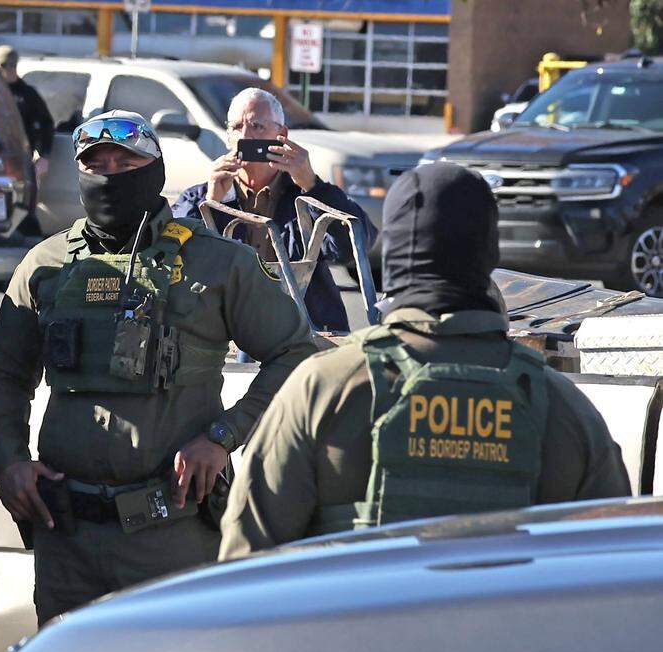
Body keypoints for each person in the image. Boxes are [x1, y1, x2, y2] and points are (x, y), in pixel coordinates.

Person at [0, 109, 317, 625]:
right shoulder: (45, 264)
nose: (112, 174)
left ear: (155, 171)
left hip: (171, 536)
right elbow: (4, 375)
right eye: (98, 164)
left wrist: (223, 436)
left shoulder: (217, 263)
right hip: (67, 538)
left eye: (127, 161)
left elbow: (294, 354)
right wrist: (9, 462)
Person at [219, 163, 632, 559]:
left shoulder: (322, 390)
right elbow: (613, 578)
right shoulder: (564, 410)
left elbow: (242, 570)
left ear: (394, 260)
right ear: (488, 255)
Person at [173, 87, 374, 333]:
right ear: (227, 136)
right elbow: (174, 258)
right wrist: (210, 203)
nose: (245, 136)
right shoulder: (200, 196)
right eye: (237, 127)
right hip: (225, 333)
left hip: (301, 330)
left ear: (282, 134)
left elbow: (354, 247)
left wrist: (313, 185)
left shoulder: (304, 194)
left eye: (257, 126)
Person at [0, 44, 54, 186]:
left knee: (19, 203)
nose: (10, 69)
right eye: (6, 65)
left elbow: (46, 124)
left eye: (13, 65)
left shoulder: (27, 94)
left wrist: (44, 156)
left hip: (18, 161)